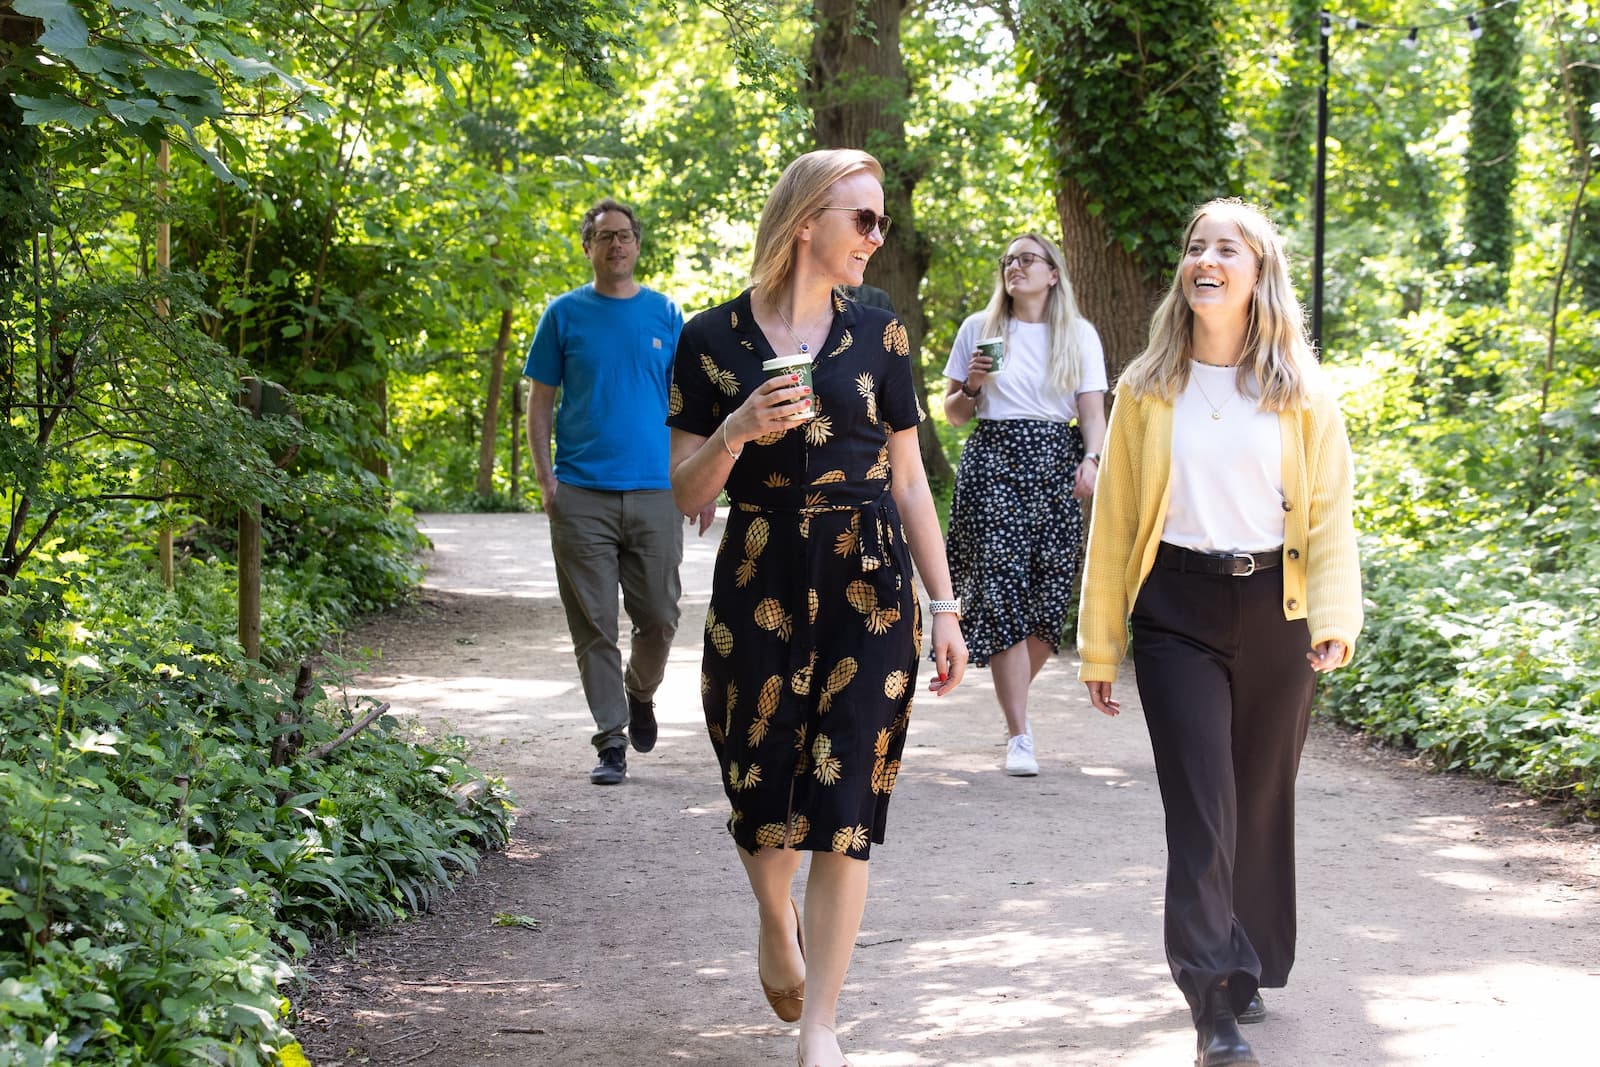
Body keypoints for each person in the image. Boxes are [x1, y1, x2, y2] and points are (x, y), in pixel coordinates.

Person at [667, 149, 967, 1067]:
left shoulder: (882, 337)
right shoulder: (709, 339)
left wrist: (945, 605)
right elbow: (684, 492)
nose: (877, 238)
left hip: (868, 580)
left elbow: (912, 483)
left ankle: (822, 1024)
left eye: (881, 222)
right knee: (757, 785)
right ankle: (772, 912)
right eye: (863, 221)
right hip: (757, 569)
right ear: (807, 223)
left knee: (847, 801)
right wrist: (736, 429)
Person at [1077, 198, 1362, 1067]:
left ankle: (1248, 961)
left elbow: (1330, 516)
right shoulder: (1146, 387)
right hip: (1177, 613)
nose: (1206, 259)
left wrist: (1335, 617)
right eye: (1195, 246)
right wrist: (1101, 645)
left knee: (1259, 801)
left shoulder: (1301, 390)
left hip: (1277, 610)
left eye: (1225, 249)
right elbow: (1117, 523)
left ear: (1257, 271)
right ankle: (1212, 1002)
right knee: (1202, 808)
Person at [524, 196, 710, 787]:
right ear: (588, 247)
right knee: (594, 625)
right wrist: (545, 476)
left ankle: (640, 693)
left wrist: (703, 482)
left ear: (637, 243)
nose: (616, 245)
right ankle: (610, 741)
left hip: (659, 489)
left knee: (659, 615)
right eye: (604, 237)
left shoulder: (665, 314)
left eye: (624, 235)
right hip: (581, 493)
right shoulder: (563, 315)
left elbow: (693, 405)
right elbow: (540, 401)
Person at [941, 233, 1107, 776]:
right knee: (1003, 588)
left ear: (1053, 273)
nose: (1016, 267)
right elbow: (955, 415)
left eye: (1028, 259)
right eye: (1009, 260)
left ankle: (1006, 690)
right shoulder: (980, 330)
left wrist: (1093, 459)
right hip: (993, 461)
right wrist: (971, 385)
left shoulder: (1078, 335)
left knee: (1048, 597)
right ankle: (1020, 733)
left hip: (1055, 462)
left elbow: (1091, 410)